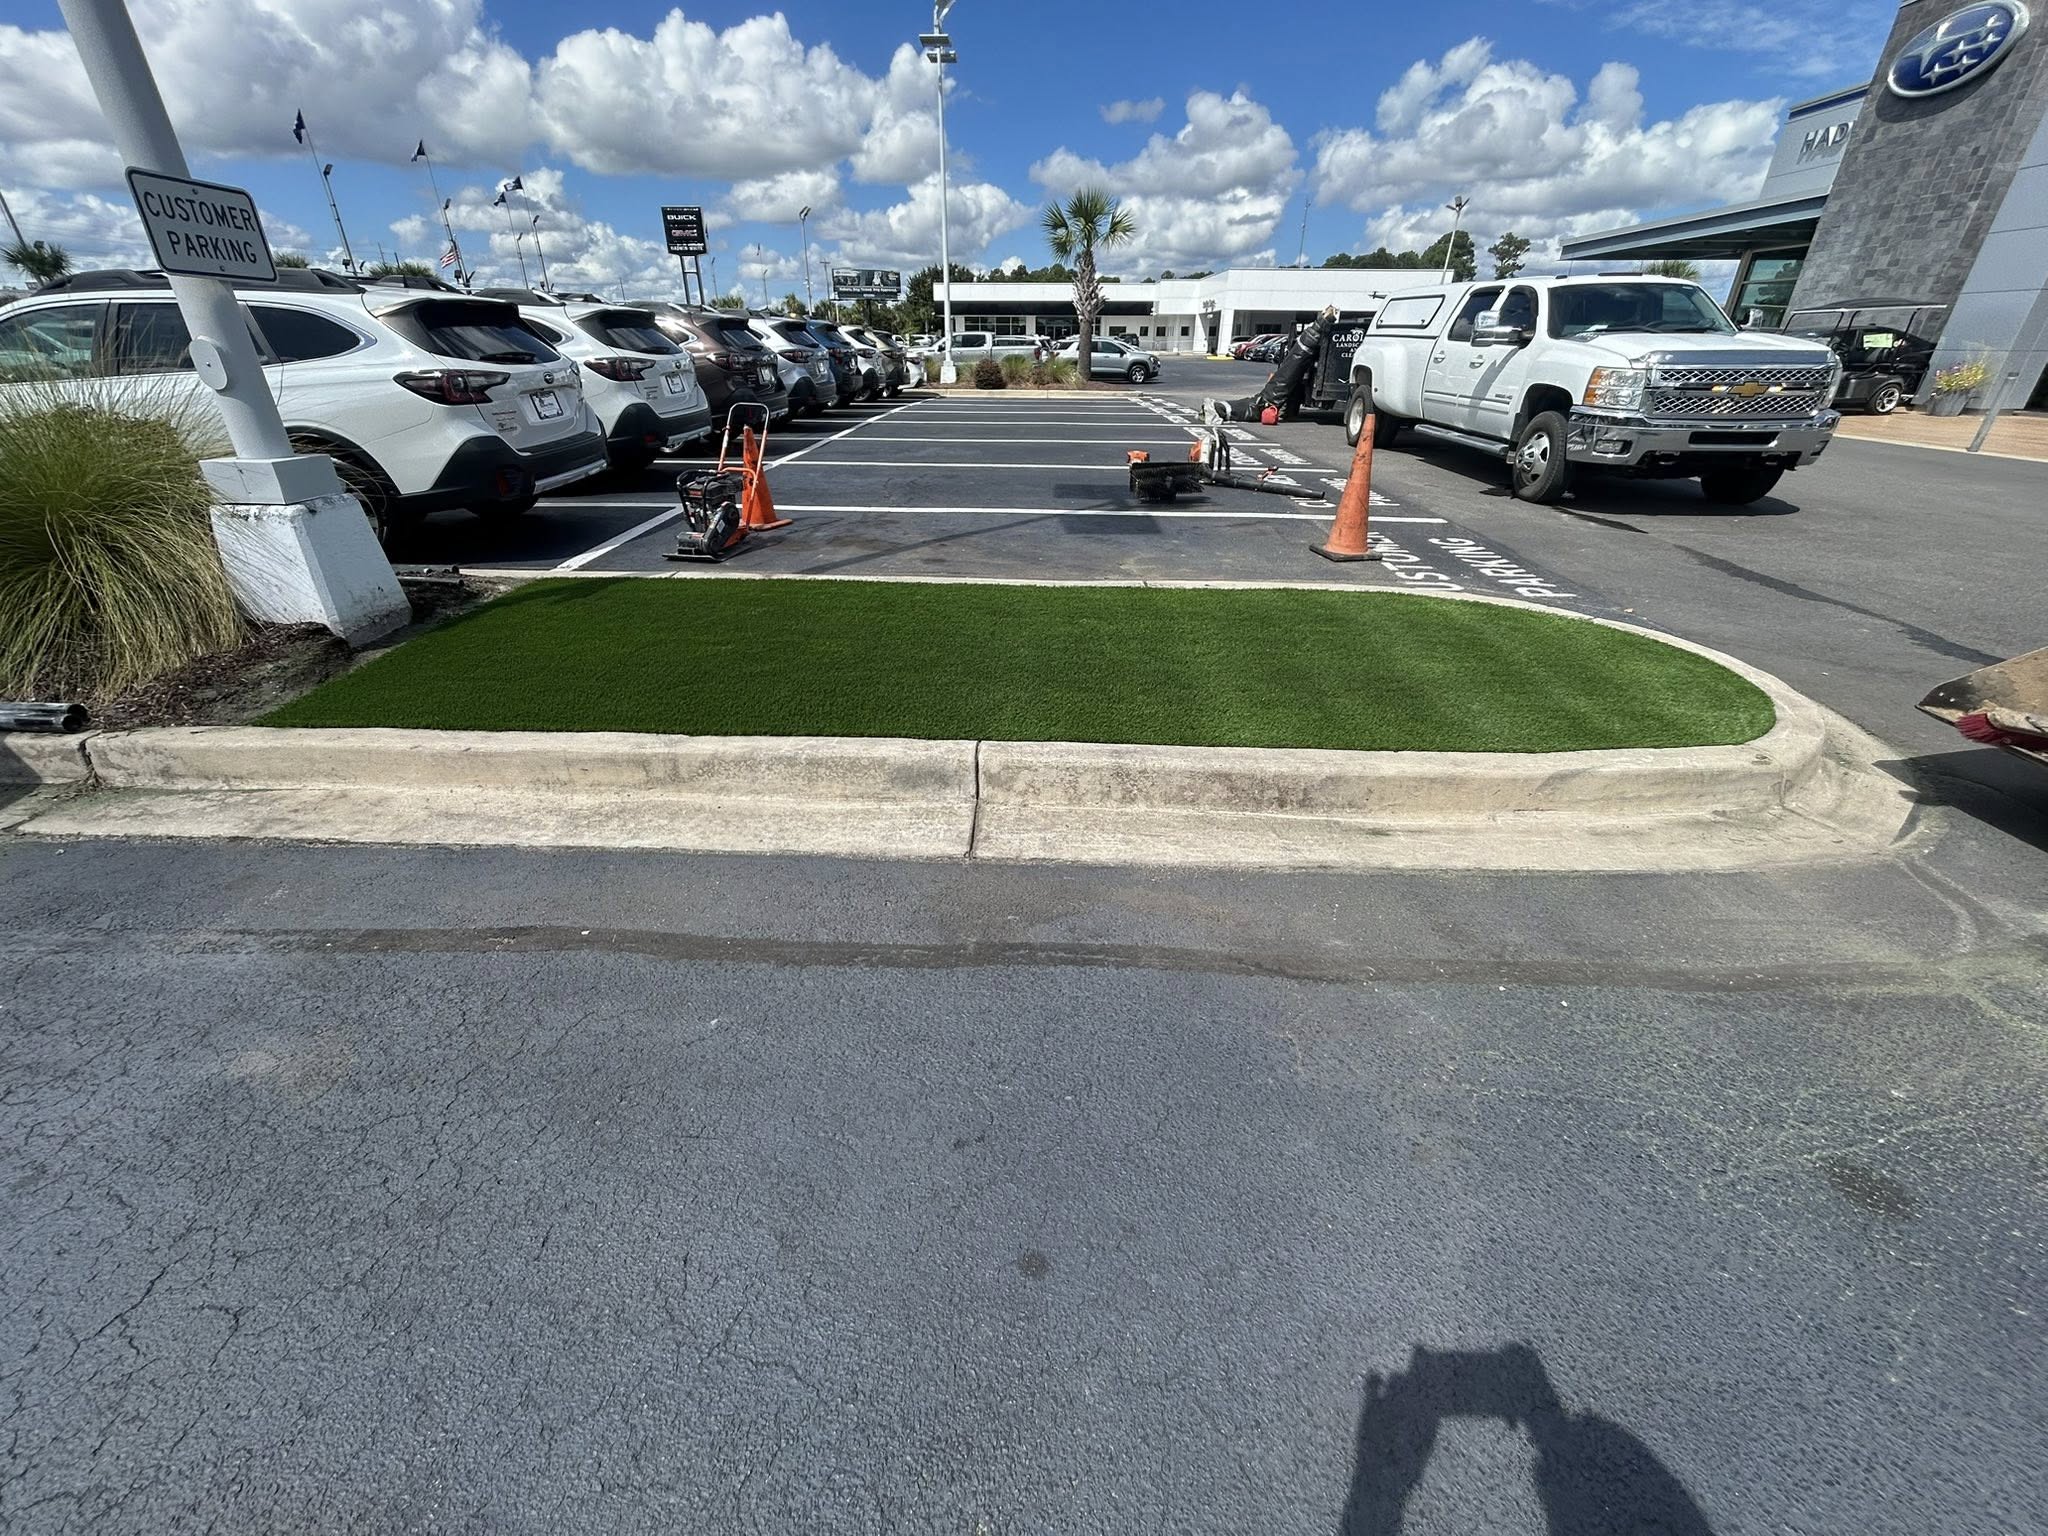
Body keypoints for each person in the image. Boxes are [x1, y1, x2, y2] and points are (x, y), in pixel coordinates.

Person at [1204, 305, 1341, 425]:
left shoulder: (1307, 340)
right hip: (1309, 342)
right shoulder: (1308, 340)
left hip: (1310, 341)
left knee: (1262, 400)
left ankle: (1220, 408)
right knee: (1259, 403)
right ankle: (1220, 408)